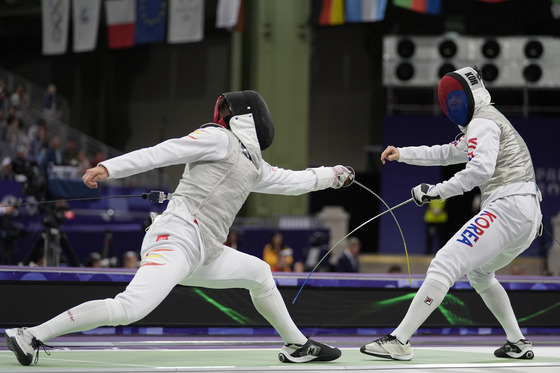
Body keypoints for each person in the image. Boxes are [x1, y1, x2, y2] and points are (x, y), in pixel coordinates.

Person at [5, 90, 354, 366]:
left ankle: (297, 345)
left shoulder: (256, 166)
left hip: (205, 250)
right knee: (130, 308)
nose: (224, 118)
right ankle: (31, 334)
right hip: (177, 237)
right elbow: (165, 151)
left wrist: (334, 176)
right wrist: (109, 167)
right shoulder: (218, 138)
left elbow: (295, 181)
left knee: (260, 273)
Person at [361, 67, 542, 361]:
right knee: (480, 274)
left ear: (471, 96)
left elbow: (480, 170)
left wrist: (437, 191)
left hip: (509, 205)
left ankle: (399, 340)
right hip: (527, 214)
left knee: (445, 262)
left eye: (456, 99)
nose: (452, 106)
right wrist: (402, 153)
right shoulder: (485, 123)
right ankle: (518, 342)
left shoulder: (484, 123)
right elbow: (445, 152)